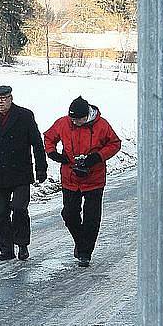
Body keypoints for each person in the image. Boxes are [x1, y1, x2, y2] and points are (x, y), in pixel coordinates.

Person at [44, 96, 121, 267]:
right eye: (73, 119)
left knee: (91, 218)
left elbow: (115, 143)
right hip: (70, 177)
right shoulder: (63, 123)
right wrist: (52, 153)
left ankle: (85, 253)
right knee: (69, 214)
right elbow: (49, 137)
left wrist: (97, 157)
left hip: (94, 178)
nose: (76, 122)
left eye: (79, 119)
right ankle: (81, 243)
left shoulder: (102, 125)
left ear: (87, 115)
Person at [0, 85, 47, 261]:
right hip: (0, 174)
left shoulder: (25, 116)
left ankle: (22, 244)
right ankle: (6, 249)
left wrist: (41, 168)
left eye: (4, 98)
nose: (1, 102)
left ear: (10, 98)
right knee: (0, 213)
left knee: (19, 208)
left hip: (21, 172)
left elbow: (37, 143)